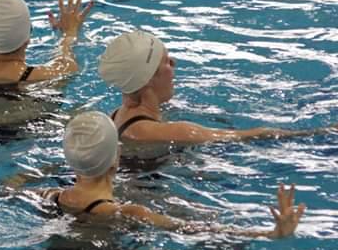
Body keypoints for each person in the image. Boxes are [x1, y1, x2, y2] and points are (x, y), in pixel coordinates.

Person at [41, 111, 305, 239]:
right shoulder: (130, 212)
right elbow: (195, 229)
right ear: (116, 158)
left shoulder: (49, 196)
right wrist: (270, 234)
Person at [98, 30, 330, 145]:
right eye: (166, 62)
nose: (174, 64)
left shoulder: (115, 118)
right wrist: (320, 132)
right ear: (148, 78)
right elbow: (247, 136)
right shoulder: (174, 132)